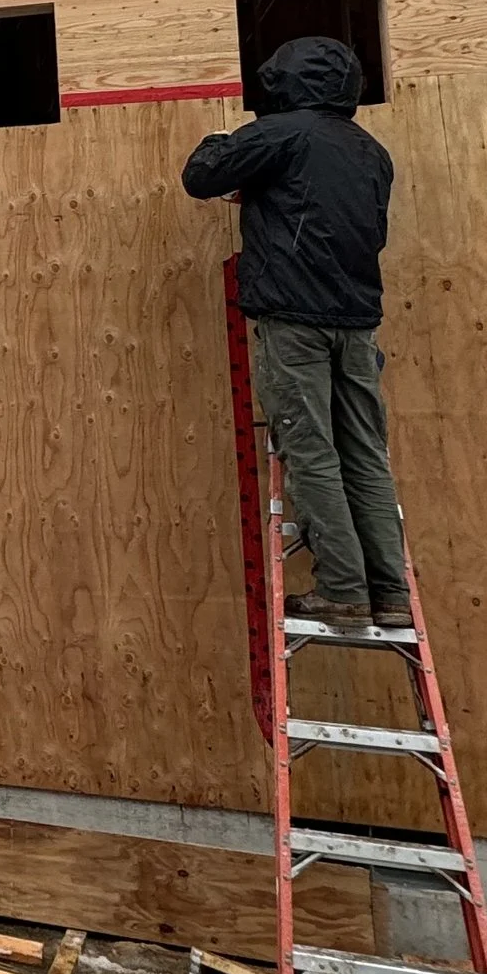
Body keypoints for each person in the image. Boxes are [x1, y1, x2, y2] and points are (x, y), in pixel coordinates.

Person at [181, 34, 410, 630]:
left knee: (310, 448)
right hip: (357, 323)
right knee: (364, 451)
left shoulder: (282, 132)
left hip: (295, 320)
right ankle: (388, 588)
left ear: (282, 82)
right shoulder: (370, 151)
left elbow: (201, 175)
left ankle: (341, 588)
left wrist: (220, 140)